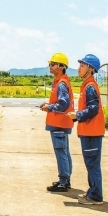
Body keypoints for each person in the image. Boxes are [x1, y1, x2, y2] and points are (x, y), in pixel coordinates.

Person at [67, 54, 105, 205]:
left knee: (92, 164)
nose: (79, 68)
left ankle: (95, 195)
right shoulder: (88, 85)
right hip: (89, 131)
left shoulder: (90, 87)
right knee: (91, 163)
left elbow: (93, 108)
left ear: (90, 69)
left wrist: (77, 115)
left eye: (82, 66)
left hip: (91, 132)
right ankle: (93, 191)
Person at [40, 53, 75, 192]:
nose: (50, 66)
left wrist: (49, 107)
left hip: (59, 123)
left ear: (61, 66)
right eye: (50, 64)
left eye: (53, 64)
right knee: (64, 151)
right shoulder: (61, 81)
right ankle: (66, 180)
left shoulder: (61, 84)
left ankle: (63, 182)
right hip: (62, 122)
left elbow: (63, 103)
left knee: (61, 152)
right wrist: (49, 104)